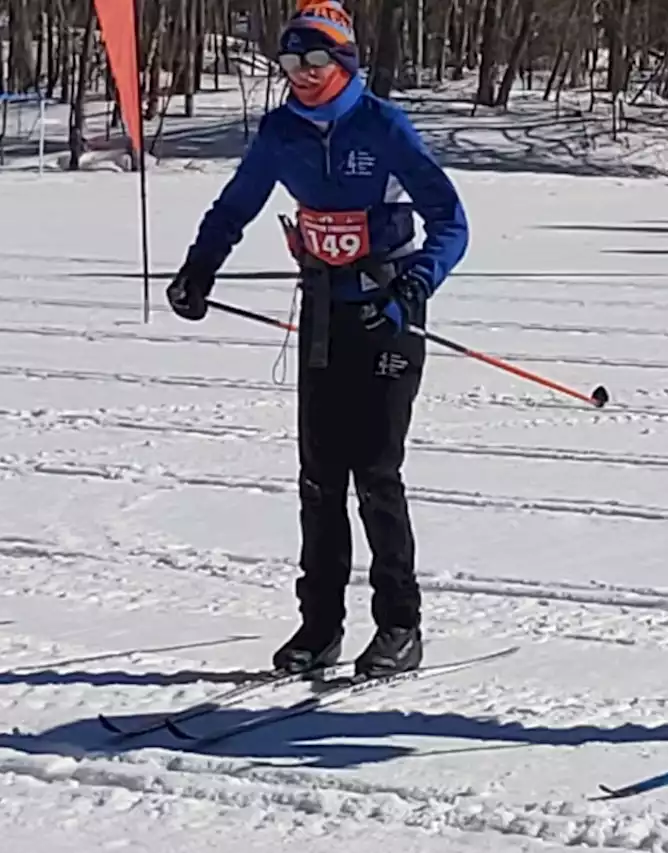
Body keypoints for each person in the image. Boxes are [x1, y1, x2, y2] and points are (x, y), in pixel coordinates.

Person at [166, 0, 469, 680]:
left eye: (316, 60)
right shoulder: (281, 130)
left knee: (377, 474)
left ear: (344, 61)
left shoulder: (382, 125)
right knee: (318, 479)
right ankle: (319, 625)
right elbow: (235, 205)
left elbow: (451, 220)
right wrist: (198, 269)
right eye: (291, 62)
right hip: (325, 316)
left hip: (388, 315)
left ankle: (399, 625)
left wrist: (416, 282)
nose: (302, 74)